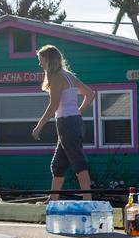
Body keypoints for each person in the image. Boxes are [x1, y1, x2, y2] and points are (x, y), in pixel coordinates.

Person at [31, 45, 95, 201]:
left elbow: (54, 105)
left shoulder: (56, 77)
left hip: (67, 124)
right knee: (58, 164)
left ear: (49, 60)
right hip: (73, 122)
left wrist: (39, 126)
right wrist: (77, 112)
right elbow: (90, 94)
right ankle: (52, 200)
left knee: (78, 162)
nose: (40, 64)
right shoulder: (69, 76)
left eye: (41, 60)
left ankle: (88, 200)